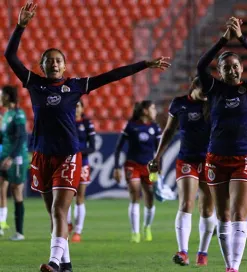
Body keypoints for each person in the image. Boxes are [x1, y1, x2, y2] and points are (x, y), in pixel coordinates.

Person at [4, 3, 170, 271]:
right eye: (49, 60)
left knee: (60, 211)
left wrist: (145, 64)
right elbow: (10, 56)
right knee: (53, 214)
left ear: (65, 65)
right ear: (42, 65)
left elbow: (111, 76)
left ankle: (55, 263)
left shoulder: (75, 86)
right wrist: (21, 26)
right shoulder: (34, 83)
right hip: (41, 155)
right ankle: (66, 264)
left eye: (58, 60)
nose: (54, 63)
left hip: (69, 155)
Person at [197, 17, 247, 272]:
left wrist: (242, 40)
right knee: (223, 216)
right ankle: (230, 263)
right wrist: (222, 42)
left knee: (239, 214)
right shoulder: (213, 88)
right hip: (216, 158)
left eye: (236, 66)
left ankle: (233, 268)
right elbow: (201, 65)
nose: (232, 70)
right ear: (220, 71)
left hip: (245, 158)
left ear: (241, 68)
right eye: (226, 67)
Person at [149, 77, 216, 266]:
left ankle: (202, 252)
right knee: (186, 203)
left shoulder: (213, 105)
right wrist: (158, 156)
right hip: (187, 159)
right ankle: (183, 251)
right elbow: (169, 130)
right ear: (194, 86)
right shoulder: (179, 104)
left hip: (210, 161)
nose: (206, 93)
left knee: (207, 209)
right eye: (203, 88)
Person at [113, 100, 161, 244]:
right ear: (145, 111)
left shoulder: (155, 127)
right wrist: (116, 167)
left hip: (149, 166)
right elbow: (118, 148)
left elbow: (159, 151)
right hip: (132, 164)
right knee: (135, 194)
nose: (155, 111)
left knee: (150, 198)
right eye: (153, 108)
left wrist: (159, 169)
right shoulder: (131, 126)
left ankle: (147, 227)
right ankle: (135, 233)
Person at [0, 85, 28, 241]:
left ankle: (19, 232)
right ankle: (1, 224)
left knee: (16, 191)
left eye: (2, 95)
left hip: (16, 159)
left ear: (7, 96)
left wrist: (11, 157)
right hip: (3, 157)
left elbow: (21, 138)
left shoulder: (18, 114)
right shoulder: (7, 114)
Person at [66, 101, 96, 243]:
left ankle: (78, 231)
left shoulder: (87, 124)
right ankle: (68, 223)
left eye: (78, 106)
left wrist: (78, 152)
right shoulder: (66, 121)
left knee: (80, 197)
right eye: (74, 105)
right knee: (66, 196)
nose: (75, 108)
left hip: (82, 163)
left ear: (82, 108)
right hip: (67, 163)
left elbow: (93, 147)